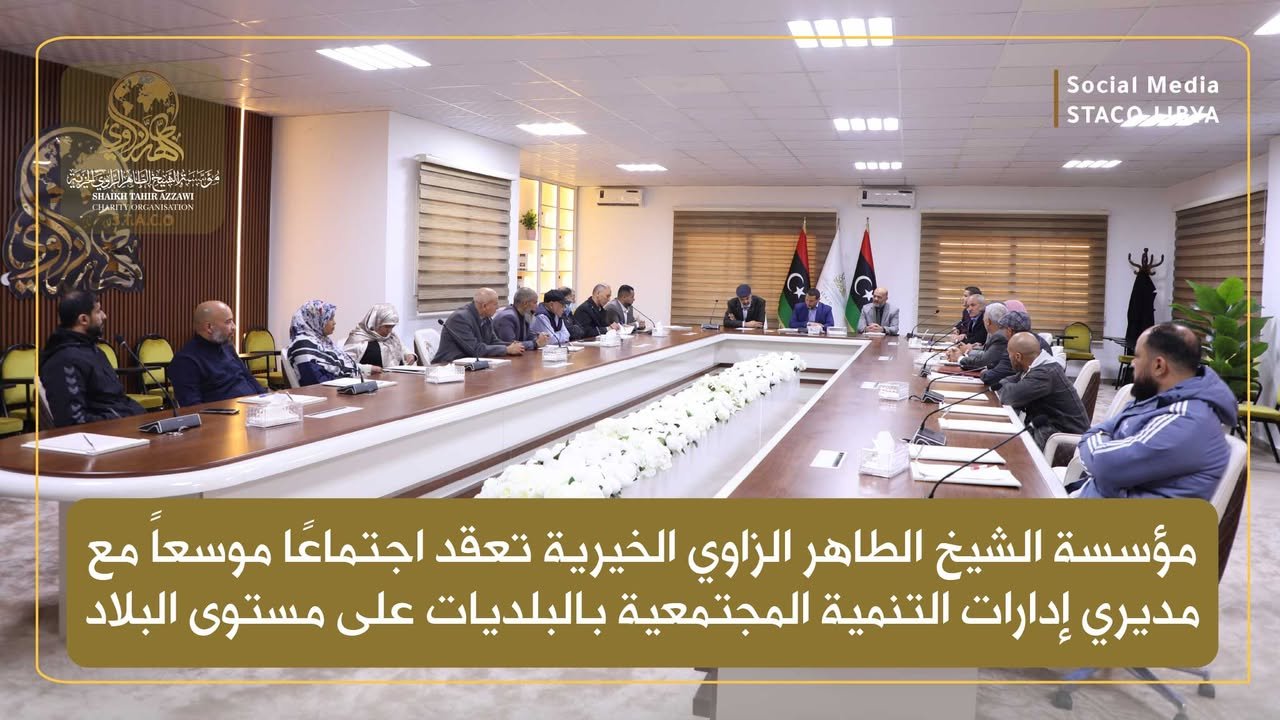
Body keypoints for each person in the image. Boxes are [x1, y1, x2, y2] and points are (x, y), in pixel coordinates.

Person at [1073, 323, 1238, 500]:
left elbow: (1104, 465)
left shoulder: (1185, 420)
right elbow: (1099, 432)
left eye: (1137, 356)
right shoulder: (1155, 400)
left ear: (1159, 366)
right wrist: (1100, 453)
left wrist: (1099, 454)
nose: (1133, 363)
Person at [39, 290, 144, 426]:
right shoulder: (63, 360)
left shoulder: (95, 351)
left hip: (124, 425)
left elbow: (115, 399)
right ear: (83, 319)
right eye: (98, 311)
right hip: (104, 434)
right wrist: (121, 419)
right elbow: (73, 421)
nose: (104, 316)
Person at [997, 332, 1091, 449]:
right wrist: (1006, 386)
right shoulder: (1037, 366)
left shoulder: (1044, 373)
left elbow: (1008, 396)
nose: (1009, 358)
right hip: (1051, 429)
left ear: (1018, 357)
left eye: (1009, 355)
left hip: (1065, 439)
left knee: (1010, 446)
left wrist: (1005, 386)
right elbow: (1006, 382)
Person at [169, 301, 264, 406]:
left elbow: (248, 378)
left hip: (255, 408)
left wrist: (267, 399)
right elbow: (192, 407)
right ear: (209, 327)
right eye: (228, 322)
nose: (234, 327)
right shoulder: (186, 361)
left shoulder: (227, 347)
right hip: (226, 414)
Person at [434, 288, 526, 363]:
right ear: (484, 306)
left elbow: (493, 341)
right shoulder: (460, 318)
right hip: (448, 366)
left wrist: (513, 345)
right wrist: (506, 349)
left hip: (470, 364)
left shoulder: (486, 317)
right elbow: (475, 349)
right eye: (495, 304)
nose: (498, 307)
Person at [286, 300, 362, 386]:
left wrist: (366, 370)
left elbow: (342, 365)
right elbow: (314, 380)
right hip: (330, 391)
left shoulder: (322, 342)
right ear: (315, 319)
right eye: (330, 318)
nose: (334, 322)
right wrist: (348, 381)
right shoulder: (302, 345)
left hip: (343, 386)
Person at [344, 303, 416, 370]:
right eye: (387, 326)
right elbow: (344, 364)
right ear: (375, 323)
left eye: (392, 326)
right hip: (371, 378)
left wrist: (409, 354)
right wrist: (368, 369)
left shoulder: (391, 336)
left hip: (397, 376)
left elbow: (401, 347)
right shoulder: (358, 338)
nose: (389, 330)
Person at [950, 301, 1008, 371]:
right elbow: (987, 355)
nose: (982, 320)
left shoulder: (1000, 337)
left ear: (988, 321)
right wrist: (969, 351)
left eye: (984, 317)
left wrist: (959, 358)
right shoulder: (998, 333)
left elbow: (984, 363)